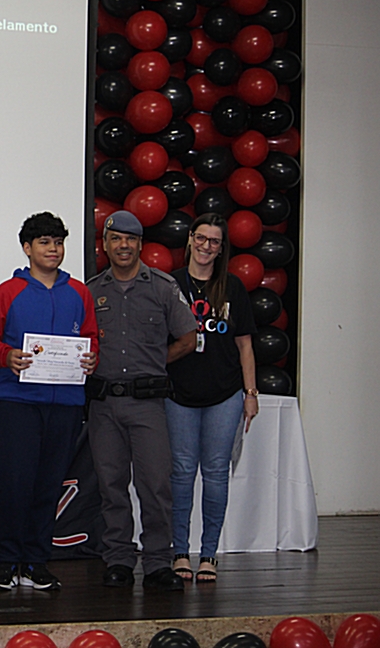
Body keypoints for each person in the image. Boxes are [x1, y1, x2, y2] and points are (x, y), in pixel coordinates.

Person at [0, 212, 98, 592]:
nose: (53, 249)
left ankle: (36, 562)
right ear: (27, 248)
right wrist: (6, 356)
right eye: (44, 242)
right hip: (19, 403)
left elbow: (91, 339)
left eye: (58, 242)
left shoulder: (80, 293)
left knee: (49, 485)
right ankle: (6, 562)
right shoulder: (7, 292)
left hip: (65, 404)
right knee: (15, 483)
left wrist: (92, 358)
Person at [85, 210, 196, 593]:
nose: (123, 245)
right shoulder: (91, 291)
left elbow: (188, 338)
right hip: (104, 404)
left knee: (155, 486)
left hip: (148, 405)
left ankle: (158, 562)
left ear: (140, 245)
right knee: (111, 485)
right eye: (116, 238)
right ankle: (118, 559)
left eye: (130, 239)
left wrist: (154, 362)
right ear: (105, 244)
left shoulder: (163, 287)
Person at [165, 213, 258, 584]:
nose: (206, 246)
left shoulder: (232, 287)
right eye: (201, 238)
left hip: (225, 394)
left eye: (214, 241)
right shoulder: (170, 284)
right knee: (182, 473)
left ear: (222, 249)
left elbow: (245, 345)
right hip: (178, 394)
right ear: (190, 239)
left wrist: (250, 394)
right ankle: (179, 551)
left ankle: (209, 554)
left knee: (217, 474)